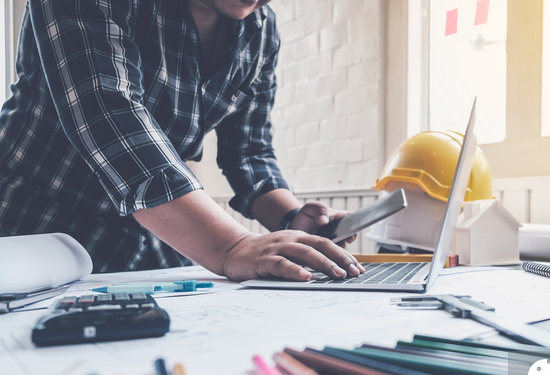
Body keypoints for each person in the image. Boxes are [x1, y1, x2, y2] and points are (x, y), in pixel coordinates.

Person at [0, 0, 364, 282]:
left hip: (158, 236)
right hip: (35, 223)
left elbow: (249, 154)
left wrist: (291, 218)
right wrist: (233, 245)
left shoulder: (261, 32)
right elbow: (109, 115)